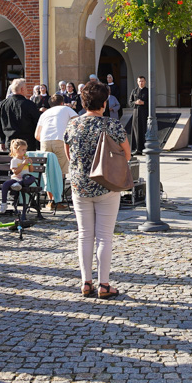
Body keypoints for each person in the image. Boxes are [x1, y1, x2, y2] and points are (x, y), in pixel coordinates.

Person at [64, 81, 131, 300]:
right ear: (104, 103)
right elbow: (127, 155)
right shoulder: (112, 125)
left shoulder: (72, 125)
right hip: (106, 185)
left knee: (84, 235)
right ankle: (104, 284)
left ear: (83, 103)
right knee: (104, 237)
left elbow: (69, 155)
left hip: (79, 186)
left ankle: (85, 282)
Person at [36, 94, 78, 210]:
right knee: (60, 172)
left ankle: (50, 201)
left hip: (44, 140)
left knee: (48, 171)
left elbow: (37, 135)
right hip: (60, 140)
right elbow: (78, 123)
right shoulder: (66, 109)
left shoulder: (45, 113)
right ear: (62, 102)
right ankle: (58, 200)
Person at [0, 78, 41, 152]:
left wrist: (2, 140)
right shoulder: (29, 104)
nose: (27, 90)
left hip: (10, 141)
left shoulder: (3, 104)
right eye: (26, 88)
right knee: (26, 163)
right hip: (27, 143)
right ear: (22, 89)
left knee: (13, 162)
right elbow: (37, 123)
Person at [0, 139, 36, 214]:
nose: (25, 152)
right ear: (16, 150)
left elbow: (31, 170)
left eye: (25, 150)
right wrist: (23, 164)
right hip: (16, 178)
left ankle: (19, 184)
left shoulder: (25, 159)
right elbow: (15, 172)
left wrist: (30, 164)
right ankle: (3, 203)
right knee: (5, 184)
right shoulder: (14, 160)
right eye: (22, 150)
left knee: (32, 178)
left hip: (25, 178)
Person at [129, 76, 148, 155]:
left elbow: (152, 103)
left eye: (142, 81)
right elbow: (130, 102)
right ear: (137, 82)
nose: (141, 83)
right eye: (139, 81)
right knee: (136, 131)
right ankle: (137, 149)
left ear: (145, 81)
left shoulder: (148, 91)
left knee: (144, 130)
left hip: (145, 114)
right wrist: (136, 102)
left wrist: (143, 103)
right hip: (136, 113)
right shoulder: (134, 91)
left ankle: (145, 148)